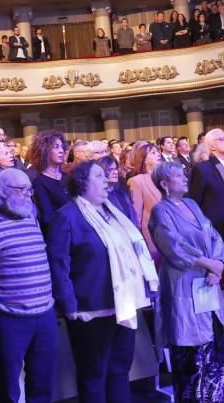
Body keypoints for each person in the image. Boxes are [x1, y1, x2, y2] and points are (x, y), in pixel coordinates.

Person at [48, 160, 159, 403]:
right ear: (82, 183)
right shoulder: (67, 217)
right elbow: (59, 264)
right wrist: (69, 304)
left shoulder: (112, 212)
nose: (107, 180)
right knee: (93, 375)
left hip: (124, 302)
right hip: (90, 308)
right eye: (99, 176)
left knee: (120, 370)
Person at [0, 168, 57, 403]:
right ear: (3, 192)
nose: (28, 195)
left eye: (30, 190)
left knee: (43, 383)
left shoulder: (31, 218)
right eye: (22, 190)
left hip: (45, 314)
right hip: (10, 318)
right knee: (9, 388)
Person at [148, 161, 224, 403]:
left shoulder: (192, 204)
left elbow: (214, 235)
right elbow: (173, 247)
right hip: (183, 283)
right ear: (164, 184)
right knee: (191, 352)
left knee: (214, 348)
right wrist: (208, 263)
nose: (185, 177)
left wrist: (218, 266)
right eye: (178, 175)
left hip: (208, 281)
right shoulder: (160, 211)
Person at [189, 129, 224, 241]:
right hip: (219, 230)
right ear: (212, 146)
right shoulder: (203, 169)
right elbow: (195, 202)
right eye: (222, 138)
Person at [29, 130, 69, 231]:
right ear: (44, 151)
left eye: (61, 147)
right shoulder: (39, 183)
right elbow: (48, 218)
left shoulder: (68, 177)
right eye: (56, 147)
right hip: (61, 232)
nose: (61, 151)